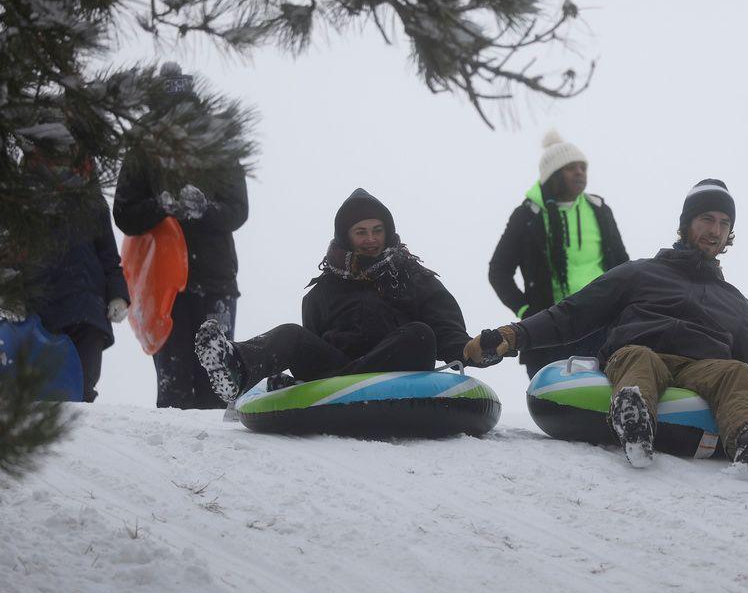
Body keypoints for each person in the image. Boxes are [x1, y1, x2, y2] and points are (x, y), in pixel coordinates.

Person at [466, 179, 748, 468]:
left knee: (738, 371)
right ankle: (634, 421)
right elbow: (571, 314)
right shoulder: (641, 272)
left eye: (723, 223)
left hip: (701, 369)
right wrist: (510, 337)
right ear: (686, 224)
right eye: (706, 220)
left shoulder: (734, 303)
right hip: (639, 354)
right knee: (638, 358)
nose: (714, 230)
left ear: (730, 234)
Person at [194, 188, 475, 403]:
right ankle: (235, 366)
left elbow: (448, 332)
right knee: (290, 334)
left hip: (395, 371)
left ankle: (328, 387)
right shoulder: (322, 292)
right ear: (346, 236)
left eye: (377, 231)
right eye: (361, 232)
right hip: (335, 370)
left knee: (420, 335)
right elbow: (313, 342)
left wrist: (476, 349)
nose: (371, 239)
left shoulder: (413, 277)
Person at [113, 62, 248, 409]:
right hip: (163, 285)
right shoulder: (143, 150)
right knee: (173, 386)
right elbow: (124, 214)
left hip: (214, 281)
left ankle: (221, 460)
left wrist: (204, 208)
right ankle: (173, 461)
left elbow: (237, 210)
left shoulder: (219, 146)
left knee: (218, 380)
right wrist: (162, 206)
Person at [488, 129, 628, 378]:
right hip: (547, 330)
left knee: (603, 402)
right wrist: (526, 313)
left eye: (582, 167)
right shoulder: (528, 216)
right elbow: (498, 271)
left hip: (602, 326)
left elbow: (623, 267)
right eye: (570, 167)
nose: (579, 172)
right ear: (552, 175)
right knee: (555, 405)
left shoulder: (599, 210)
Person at [30, 189, 130, 402]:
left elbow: (109, 256)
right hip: (40, 313)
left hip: (87, 312)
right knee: (41, 397)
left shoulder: (92, 199)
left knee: (81, 393)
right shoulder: (25, 193)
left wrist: (118, 295)